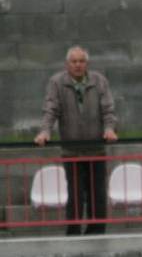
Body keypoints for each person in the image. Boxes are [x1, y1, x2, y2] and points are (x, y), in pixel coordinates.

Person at [34, 45, 118, 235]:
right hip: (71, 151)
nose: (78, 65)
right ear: (67, 64)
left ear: (86, 63)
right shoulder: (57, 82)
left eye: (81, 61)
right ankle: (73, 231)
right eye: (74, 61)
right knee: (75, 194)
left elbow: (108, 110)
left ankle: (97, 231)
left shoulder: (99, 81)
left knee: (97, 193)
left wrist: (109, 129)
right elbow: (50, 109)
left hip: (96, 150)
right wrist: (45, 132)